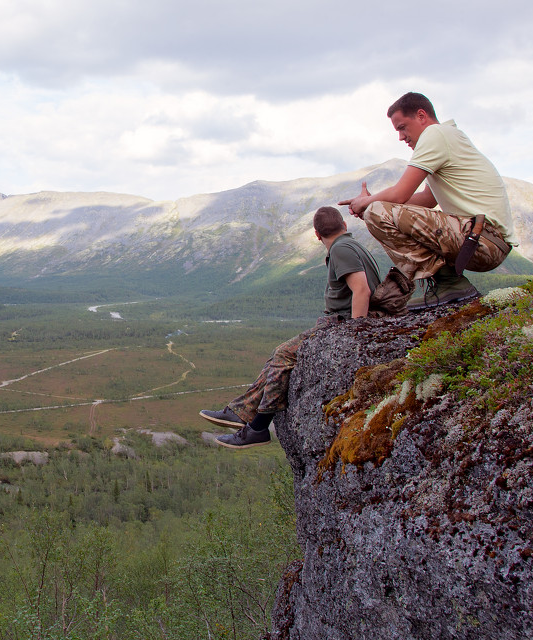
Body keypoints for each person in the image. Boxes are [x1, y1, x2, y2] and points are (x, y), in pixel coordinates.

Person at [200, 206, 381, 449]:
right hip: (340, 323)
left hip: (342, 325)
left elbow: (362, 289)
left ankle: (258, 426)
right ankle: (241, 413)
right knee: (279, 355)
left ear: (317, 235)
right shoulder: (352, 245)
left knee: (284, 354)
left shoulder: (341, 249)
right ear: (344, 225)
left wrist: (355, 334)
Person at [339, 92, 515, 310]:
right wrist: (374, 200)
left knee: (376, 212)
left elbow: (400, 194)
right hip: (483, 240)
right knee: (378, 208)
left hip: (483, 240)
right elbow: (426, 200)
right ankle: (448, 284)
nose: (401, 137)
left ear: (421, 115)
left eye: (402, 127)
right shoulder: (446, 137)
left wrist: (368, 203)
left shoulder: (435, 135)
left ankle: (449, 284)